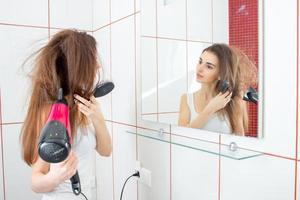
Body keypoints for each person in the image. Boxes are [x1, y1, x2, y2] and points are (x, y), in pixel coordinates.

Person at [20, 29, 112, 200]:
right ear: (78, 66)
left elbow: (106, 151)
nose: (98, 66)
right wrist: (56, 177)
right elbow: (35, 180)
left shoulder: (84, 104)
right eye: (93, 60)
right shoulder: (52, 112)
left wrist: (98, 118)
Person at [178, 43, 257, 136]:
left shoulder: (232, 102)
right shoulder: (186, 99)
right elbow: (181, 135)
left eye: (209, 66)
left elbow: (239, 141)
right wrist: (210, 109)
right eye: (200, 62)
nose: (199, 69)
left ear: (220, 74)